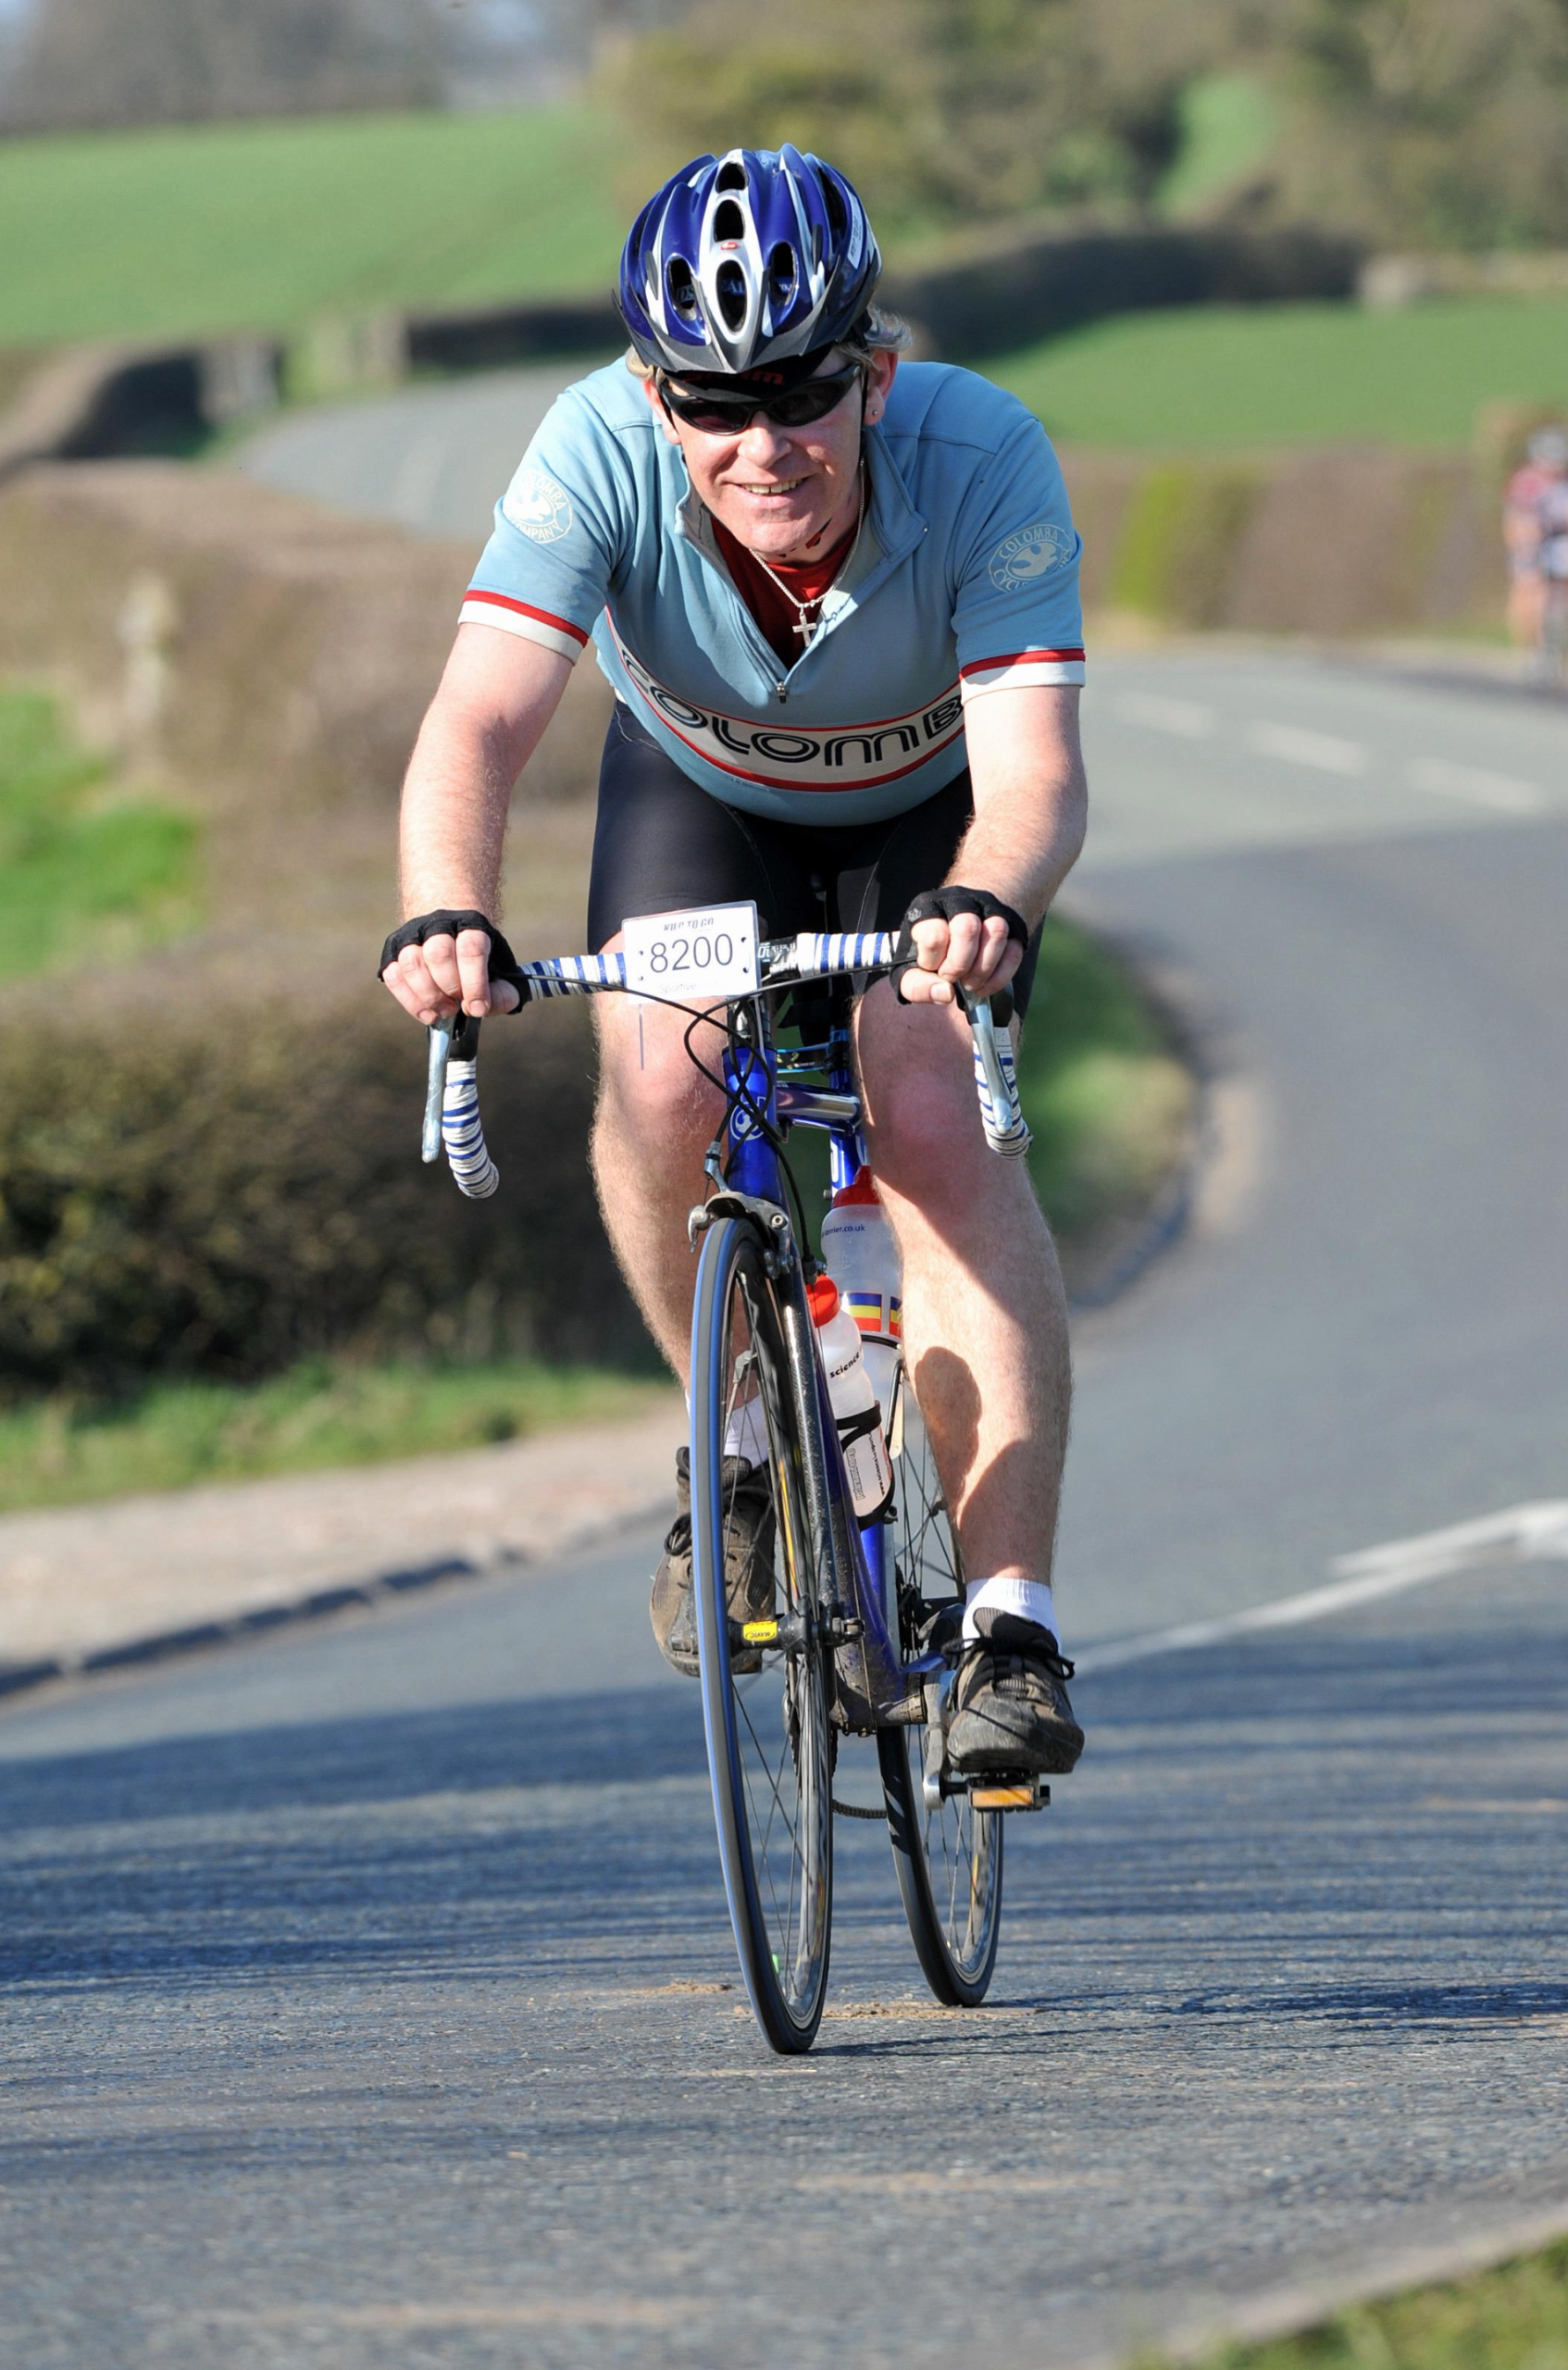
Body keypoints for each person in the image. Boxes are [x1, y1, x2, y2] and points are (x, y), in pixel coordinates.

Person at [380, 146, 1089, 1776]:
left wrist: (986, 903)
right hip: (704, 806)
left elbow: (1037, 772)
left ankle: (1010, 1627)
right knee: (656, 1079)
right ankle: (748, 1456)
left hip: (938, 830)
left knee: (925, 1111)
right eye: (711, 403)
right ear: (653, 391)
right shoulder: (592, 448)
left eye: (801, 393)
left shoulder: (981, 454)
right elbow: (481, 713)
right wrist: (446, 910)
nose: (761, 444)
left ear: (873, 371)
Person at [1503, 427, 1568, 677]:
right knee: (1529, 589)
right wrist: (1527, 553)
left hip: (1562, 542)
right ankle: (1529, 650)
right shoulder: (1527, 482)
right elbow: (1520, 522)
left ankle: (1560, 646)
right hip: (1531, 542)